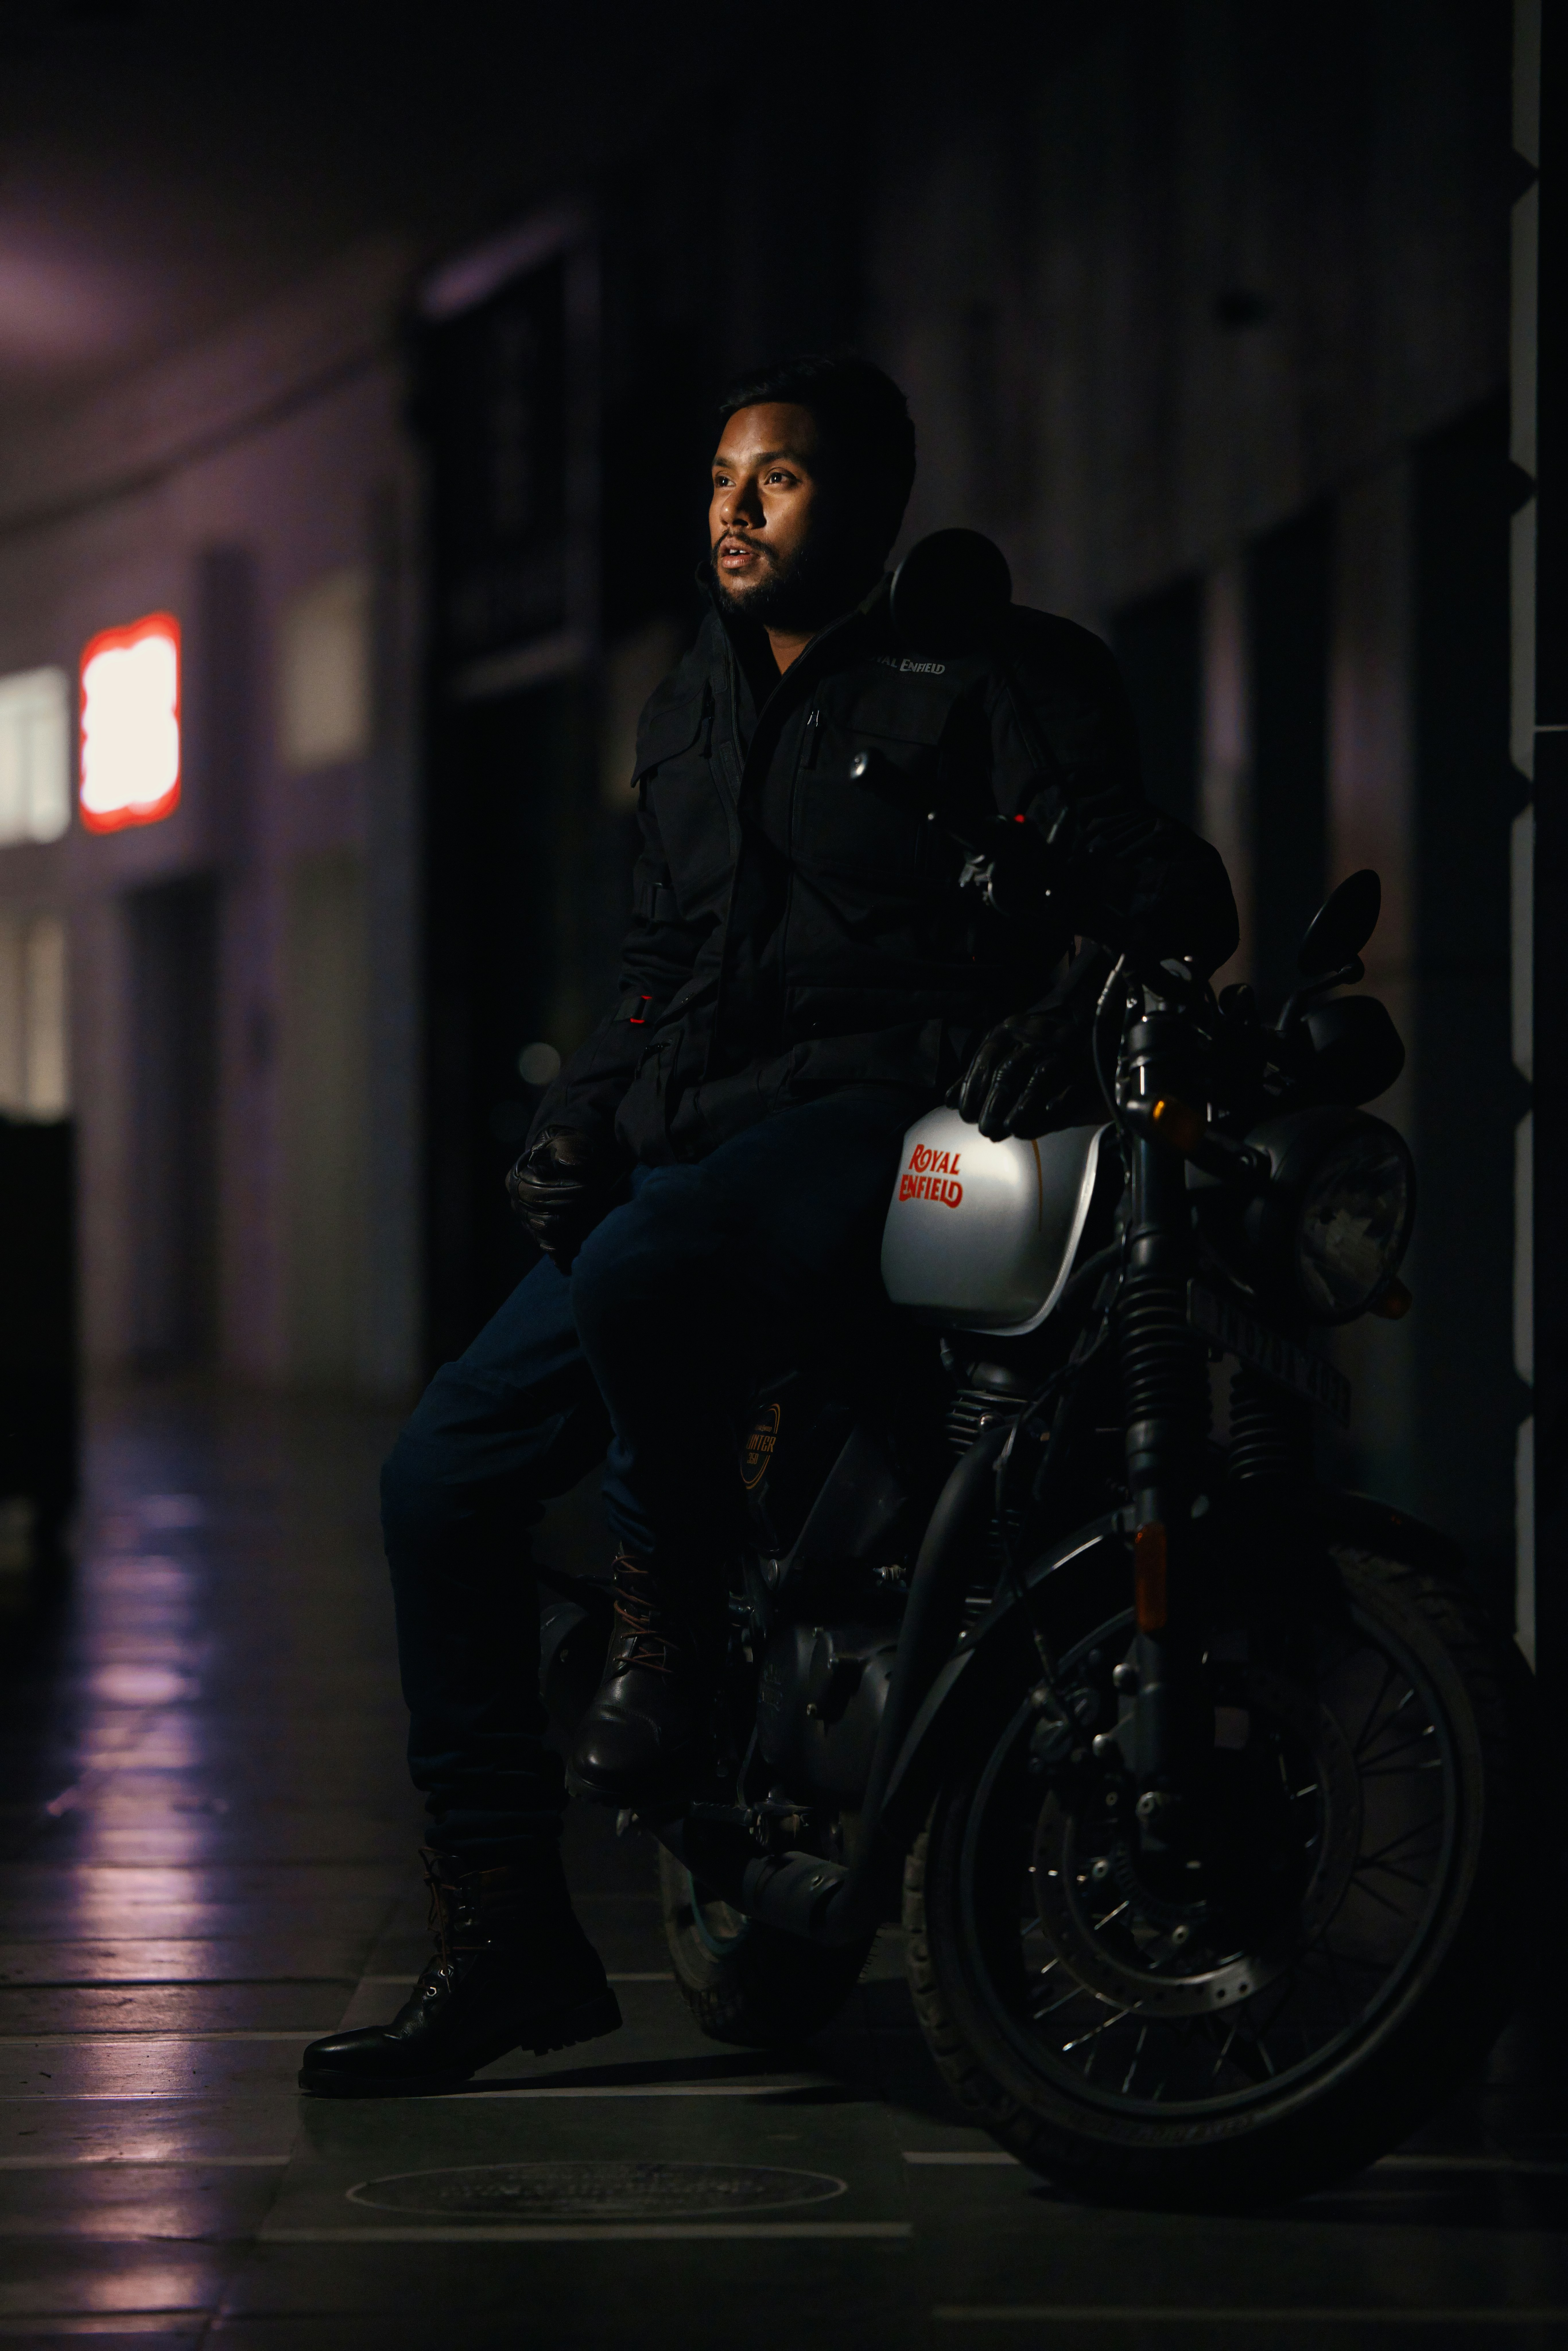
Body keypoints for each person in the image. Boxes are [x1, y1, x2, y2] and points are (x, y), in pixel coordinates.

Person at [299, 353, 1237, 2098]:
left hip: (891, 1127)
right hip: (687, 1143)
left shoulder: (991, 674)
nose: (735, 507)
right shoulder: (688, 705)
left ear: (867, 508)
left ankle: (676, 1616)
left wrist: (1087, 968)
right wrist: (574, 1121)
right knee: (437, 1476)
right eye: (722, 475)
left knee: (659, 1274)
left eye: (782, 478)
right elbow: (661, 972)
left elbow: (1143, 880)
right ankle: (501, 1932)